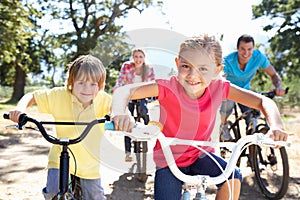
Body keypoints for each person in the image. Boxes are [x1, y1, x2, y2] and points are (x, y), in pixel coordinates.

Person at [111, 34, 289, 200]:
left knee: (233, 176)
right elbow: (124, 91)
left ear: (216, 70)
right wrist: (120, 112)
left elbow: (263, 101)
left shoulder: (219, 87)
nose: (192, 75)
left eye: (203, 69)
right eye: (186, 66)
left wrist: (276, 127)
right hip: (169, 160)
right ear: (177, 63)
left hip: (201, 154)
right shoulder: (168, 87)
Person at [8, 55, 111, 200]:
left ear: (100, 85)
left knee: (95, 196)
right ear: (71, 81)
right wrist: (20, 109)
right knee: (52, 193)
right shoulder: (59, 95)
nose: (87, 89)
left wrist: (121, 117)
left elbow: (118, 110)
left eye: (93, 84)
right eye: (81, 82)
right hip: (60, 156)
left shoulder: (104, 99)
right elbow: (32, 96)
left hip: (89, 162)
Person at [219, 34, 286, 141]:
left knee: (254, 113)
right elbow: (221, 77)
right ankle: (223, 126)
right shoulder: (227, 60)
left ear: (253, 49)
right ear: (237, 48)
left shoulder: (258, 57)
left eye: (249, 49)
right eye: (242, 49)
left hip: (245, 90)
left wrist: (278, 86)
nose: (246, 53)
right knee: (227, 104)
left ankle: (253, 143)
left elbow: (273, 75)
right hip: (230, 91)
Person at [113, 48, 155, 162]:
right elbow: (120, 80)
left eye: (140, 57)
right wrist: (117, 90)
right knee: (127, 121)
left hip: (142, 94)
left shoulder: (149, 68)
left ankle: (149, 129)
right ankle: (128, 152)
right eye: (136, 56)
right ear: (133, 57)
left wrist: (153, 96)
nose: (138, 59)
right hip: (129, 95)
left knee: (143, 110)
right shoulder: (127, 66)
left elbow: (152, 83)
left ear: (144, 58)